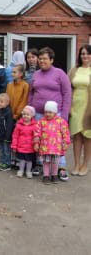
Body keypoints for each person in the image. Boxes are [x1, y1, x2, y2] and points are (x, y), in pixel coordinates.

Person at [28, 47, 72, 180]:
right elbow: (31, 93)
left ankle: (61, 167)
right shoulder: (36, 74)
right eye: (40, 59)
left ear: (51, 60)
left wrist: (64, 115)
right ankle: (41, 164)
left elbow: (67, 93)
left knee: (57, 141)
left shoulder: (60, 74)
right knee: (40, 139)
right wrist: (30, 110)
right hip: (38, 114)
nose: (42, 61)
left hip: (56, 115)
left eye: (45, 59)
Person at [34, 101, 70, 184]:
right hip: (45, 147)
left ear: (55, 112)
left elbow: (65, 133)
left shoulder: (60, 121)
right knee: (46, 162)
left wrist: (66, 143)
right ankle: (46, 176)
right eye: (46, 112)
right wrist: (36, 143)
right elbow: (37, 132)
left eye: (50, 112)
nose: (47, 114)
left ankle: (54, 175)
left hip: (56, 148)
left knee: (55, 162)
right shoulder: (42, 121)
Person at [68, 44, 91, 176]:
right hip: (75, 106)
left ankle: (85, 165)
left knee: (88, 137)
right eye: (83, 54)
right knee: (77, 136)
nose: (85, 56)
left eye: (88, 54)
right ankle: (76, 164)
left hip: (88, 107)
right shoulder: (74, 70)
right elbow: (68, 87)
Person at [11, 105, 37, 179]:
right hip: (21, 146)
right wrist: (14, 146)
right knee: (21, 160)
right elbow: (15, 136)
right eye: (24, 114)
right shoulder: (19, 125)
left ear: (32, 115)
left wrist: (36, 145)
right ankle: (21, 170)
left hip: (30, 147)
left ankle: (28, 171)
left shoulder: (34, 125)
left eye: (28, 115)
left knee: (29, 160)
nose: (26, 116)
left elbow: (36, 136)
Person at [0, 93, 14, 171]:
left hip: (6, 136)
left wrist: (8, 137)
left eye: (2, 101)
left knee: (6, 150)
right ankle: (2, 162)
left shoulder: (8, 113)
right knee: (1, 149)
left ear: (7, 103)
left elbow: (9, 126)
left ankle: (8, 164)